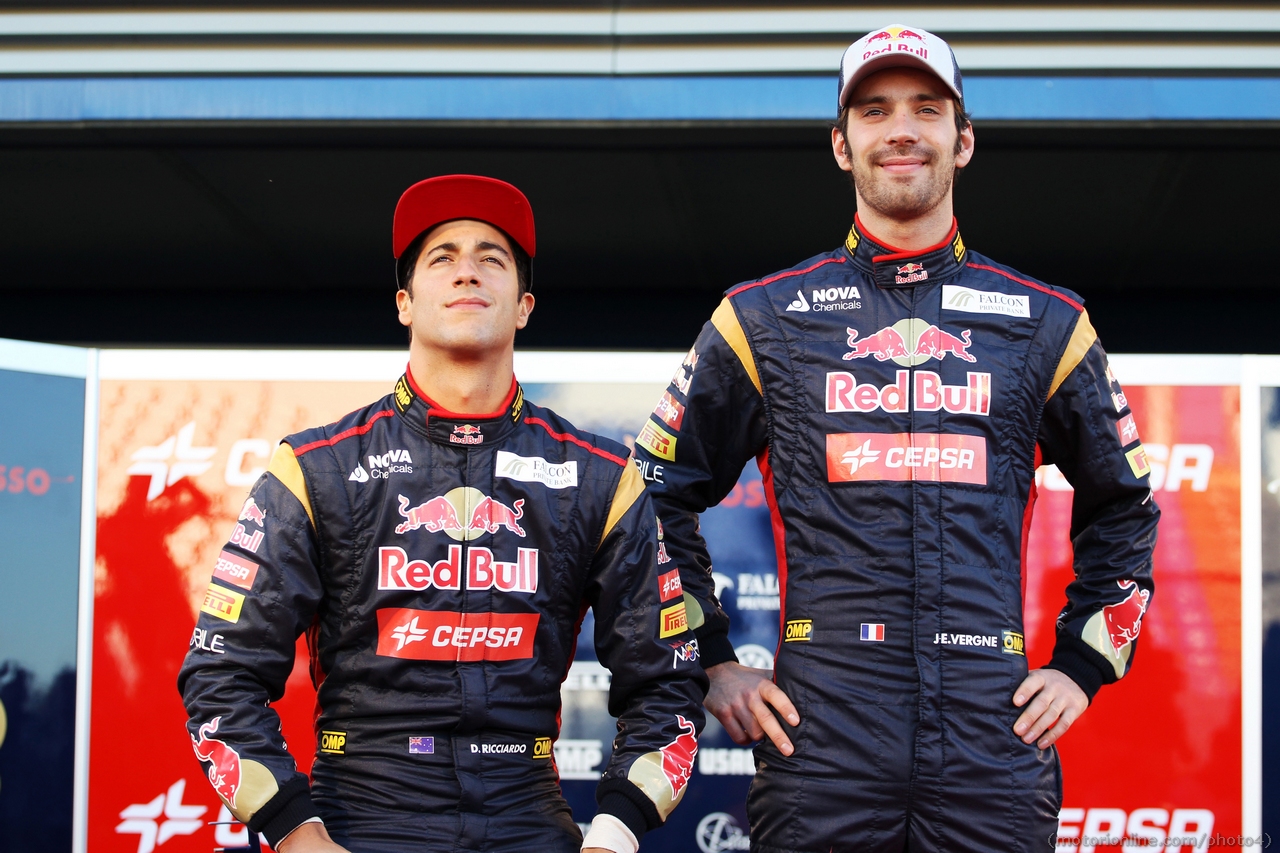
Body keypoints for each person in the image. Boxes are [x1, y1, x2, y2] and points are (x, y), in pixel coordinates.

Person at [632, 25, 1159, 853]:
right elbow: (652, 496)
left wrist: (1084, 664)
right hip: (822, 737)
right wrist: (710, 656)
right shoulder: (761, 319)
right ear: (842, 146)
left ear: (965, 137)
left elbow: (1124, 505)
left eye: (926, 108)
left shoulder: (1048, 321)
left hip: (994, 735)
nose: (902, 129)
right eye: (874, 111)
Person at [179, 174, 707, 853]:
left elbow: (667, 682)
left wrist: (612, 835)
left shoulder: (601, 477)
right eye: (442, 257)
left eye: (492, 257)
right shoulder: (317, 468)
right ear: (404, 302)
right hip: (362, 816)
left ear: (524, 305)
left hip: (528, 814)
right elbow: (220, 673)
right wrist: (295, 834)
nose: (467, 272)